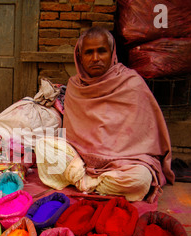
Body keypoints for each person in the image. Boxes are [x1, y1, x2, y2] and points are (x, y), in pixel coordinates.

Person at [36, 27, 174, 202]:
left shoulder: (132, 83)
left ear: (112, 53)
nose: (95, 58)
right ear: (80, 57)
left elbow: (145, 139)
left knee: (140, 180)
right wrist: (82, 158)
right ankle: (96, 183)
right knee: (43, 146)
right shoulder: (75, 86)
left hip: (124, 163)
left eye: (101, 51)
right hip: (83, 159)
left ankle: (85, 182)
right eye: (89, 52)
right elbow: (71, 136)